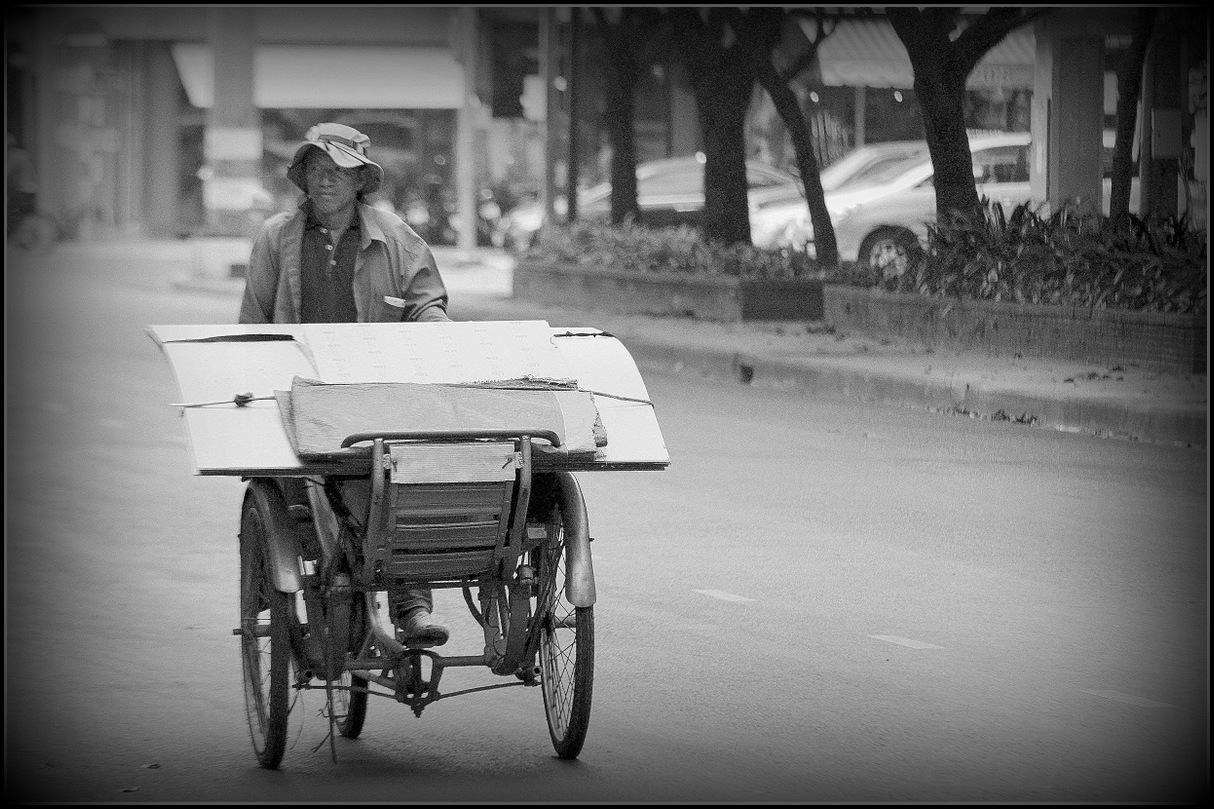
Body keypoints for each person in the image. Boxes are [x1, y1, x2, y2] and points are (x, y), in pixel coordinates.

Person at [239, 122, 451, 647]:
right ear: (303, 177)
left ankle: (411, 606)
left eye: (337, 170)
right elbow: (252, 326)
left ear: (360, 180)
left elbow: (428, 302)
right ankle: (278, 586)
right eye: (316, 168)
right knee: (287, 496)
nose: (325, 179)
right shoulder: (276, 238)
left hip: (378, 401)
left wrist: (434, 330)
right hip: (302, 399)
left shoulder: (397, 236)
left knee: (400, 489)